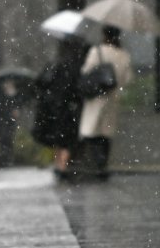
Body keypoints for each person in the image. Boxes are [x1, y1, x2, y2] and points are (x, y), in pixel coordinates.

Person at [75, 26, 132, 180]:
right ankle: (102, 165)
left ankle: (92, 165)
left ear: (104, 35)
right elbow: (127, 79)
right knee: (106, 134)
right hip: (113, 98)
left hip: (96, 98)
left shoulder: (97, 51)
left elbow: (86, 71)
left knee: (91, 132)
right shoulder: (124, 55)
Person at [31, 38, 90, 180]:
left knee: (59, 140)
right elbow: (77, 89)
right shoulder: (74, 67)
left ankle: (58, 166)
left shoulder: (53, 64)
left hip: (52, 108)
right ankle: (62, 168)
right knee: (67, 140)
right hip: (67, 109)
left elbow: (40, 83)